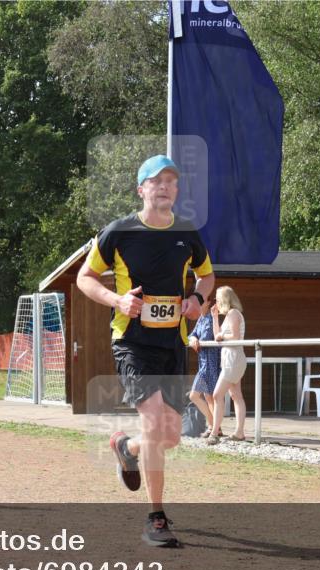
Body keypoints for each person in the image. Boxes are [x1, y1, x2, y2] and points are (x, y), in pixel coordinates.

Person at [76, 154, 214, 548]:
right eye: (156, 181)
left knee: (169, 436)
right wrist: (116, 300)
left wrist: (197, 301)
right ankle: (156, 518)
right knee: (156, 425)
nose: (165, 186)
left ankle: (126, 447)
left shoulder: (187, 234)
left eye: (171, 180)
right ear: (141, 189)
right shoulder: (118, 233)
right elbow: (86, 278)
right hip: (132, 343)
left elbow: (207, 275)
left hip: (172, 342)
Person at [209, 286, 247, 443]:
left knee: (217, 395)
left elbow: (236, 336)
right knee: (235, 395)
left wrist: (221, 338)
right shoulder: (229, 315)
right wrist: (214, 317)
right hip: (230, 359)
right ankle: (239, 432)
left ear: (224, 300)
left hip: (233, 358)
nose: (216, 302)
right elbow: (217, 335)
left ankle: (214, 433)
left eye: (217, 299)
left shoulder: (233, 314)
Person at [187, 296, 221, 438]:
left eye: (201, 303)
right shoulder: (201, 319)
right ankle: (213, 426)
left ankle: (214, 426)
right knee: (201, 396)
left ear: (207, 303)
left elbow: (213, 336)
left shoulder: (211, 319)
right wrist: (193, 339)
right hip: (203, 363)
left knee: (207, 396)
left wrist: (198, 339)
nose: (198, 305)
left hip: (212, 363)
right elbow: (192, 335)